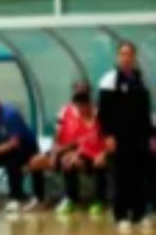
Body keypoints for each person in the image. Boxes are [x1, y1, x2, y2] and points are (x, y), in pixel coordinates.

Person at [99, 41, 156, 235]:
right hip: (118, 137)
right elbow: (104, 112)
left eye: (130, 54)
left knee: (139, 176)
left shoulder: (140, 80)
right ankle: (121, 216)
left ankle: (139, 214)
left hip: (139, 136)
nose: (127, 58)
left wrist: (151, 135)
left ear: (134, 57)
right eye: (123, 54)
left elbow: (146, 111)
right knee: (120, 176)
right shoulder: (109, 80)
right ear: (118, 57)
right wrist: (108, 136)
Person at [31, 81, 109, 217]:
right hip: (67, 149)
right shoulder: (65, 111)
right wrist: (56, 151)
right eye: (78, 101)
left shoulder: (99, 114)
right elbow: (58, 136)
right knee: (36, 162)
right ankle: (40, 199)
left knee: (77, 161)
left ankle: (96, 200)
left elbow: (94, 141)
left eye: (84, 101)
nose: (80, 105)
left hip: (91, 151)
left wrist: (76, 152)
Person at [0, 91, 42, 214]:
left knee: (12, 161)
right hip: (1, 148)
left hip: (25, 148)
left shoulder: (11, 114)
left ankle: (15, 197)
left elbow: (15, 142)